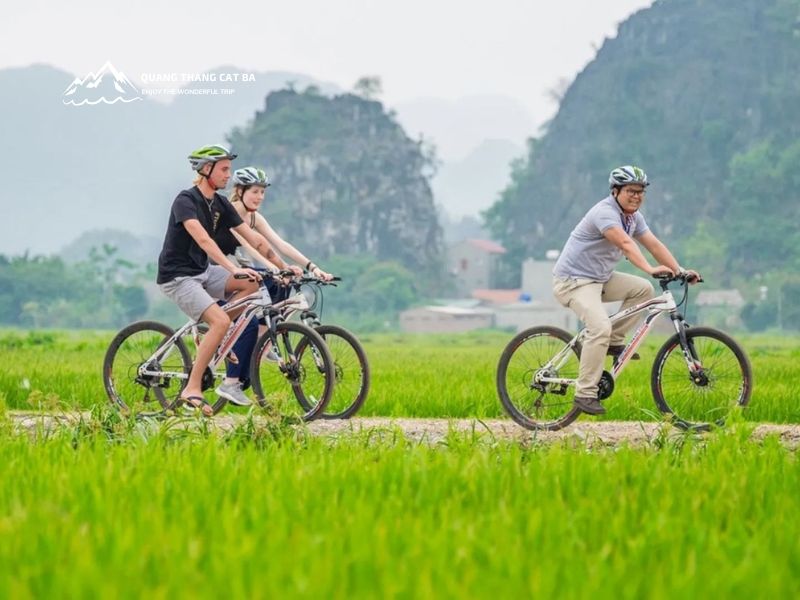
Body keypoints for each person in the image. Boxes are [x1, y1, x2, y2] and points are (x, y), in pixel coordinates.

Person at [551, 165, 700, 416]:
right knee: (599, 327)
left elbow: (652, 243)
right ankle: (585, 393)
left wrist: (680, 269)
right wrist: (650, 268)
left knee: (643, 289)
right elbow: (624, 243)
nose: (637, 196)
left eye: (641, 192)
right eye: (631, 191)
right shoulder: (604, 213)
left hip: (599, 279)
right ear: (615, 191)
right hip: (573, 281)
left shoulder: (633, 217)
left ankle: (612, 342)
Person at [156, 145, 274, 416]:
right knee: (221, 320)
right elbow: (204, 240)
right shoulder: (185, 200)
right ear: (205, 169)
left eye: (229, 170)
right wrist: (233, 268)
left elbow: (253, 237)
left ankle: (217, 337)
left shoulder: (219, 203)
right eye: (223, 170)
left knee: (252, 285)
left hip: (203, 272)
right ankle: (192, 388)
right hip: (178, 276)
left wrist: (283, 267)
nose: (227, 176)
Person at [211, 166, 334, 406]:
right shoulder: (232, 212)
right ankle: (239, 370)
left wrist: (313, 268)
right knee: (270, 281)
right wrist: (276, 269)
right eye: (255, 191)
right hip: (214, 271)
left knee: (281, 284)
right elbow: (252, 246)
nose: (259, 197)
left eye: (262, 192)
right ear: (240, 191)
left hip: (232, 268)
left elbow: (279, 244)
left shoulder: (255, 216)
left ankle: (264, 336)